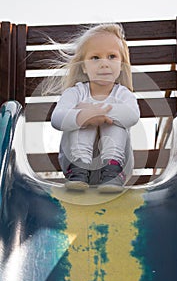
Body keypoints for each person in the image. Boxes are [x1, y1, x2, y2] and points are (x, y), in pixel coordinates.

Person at [51, 23, 140, 192]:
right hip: (73, 170)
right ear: (84, 66)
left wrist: (97, 111)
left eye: (112, 56)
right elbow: (57, 119)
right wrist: (84, 116)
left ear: (121, 65)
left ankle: (112, 168)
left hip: (118, 170)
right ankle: (79, 166)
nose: (104, 64)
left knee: (114, 121)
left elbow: (132, 115)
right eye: (95, 58)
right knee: (82, 118)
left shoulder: (123, 94)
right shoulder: (75, 93)